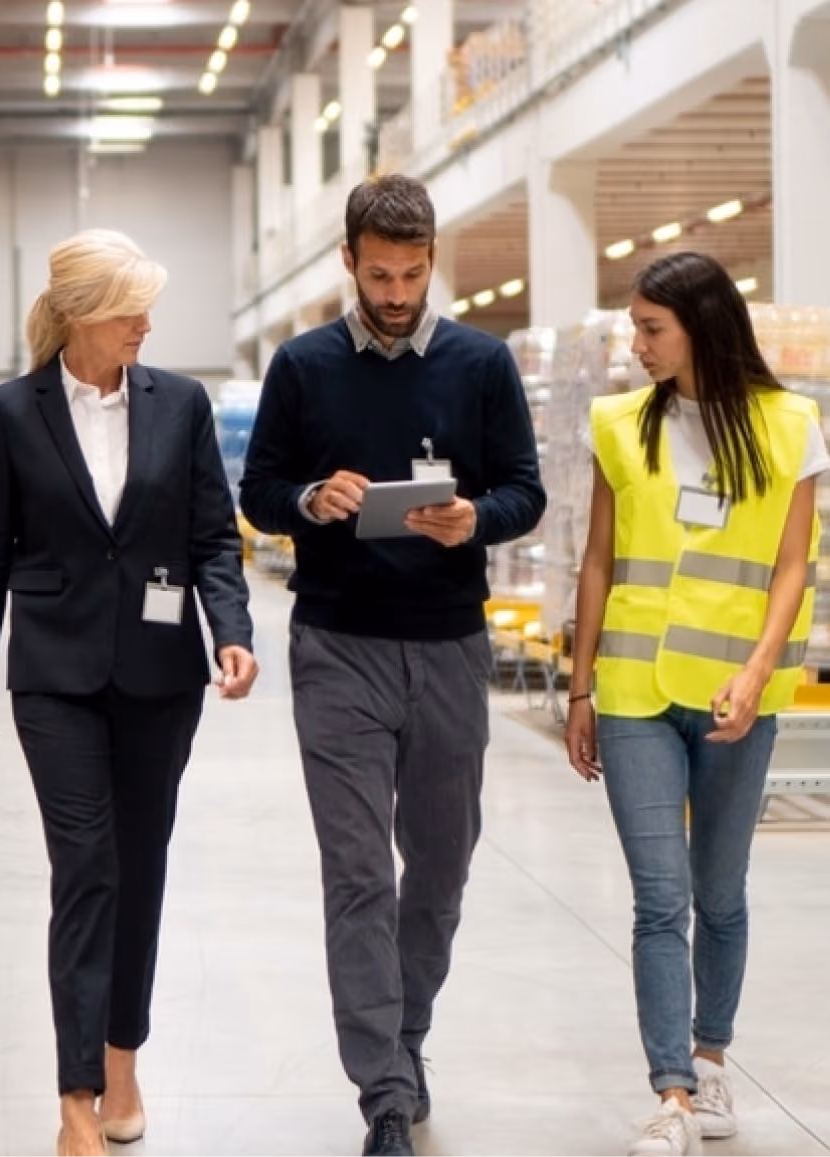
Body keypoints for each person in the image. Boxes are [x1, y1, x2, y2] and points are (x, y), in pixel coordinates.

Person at [240, 173, 546, 1157]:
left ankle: (406, 1038)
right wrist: (310, 500)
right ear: (349, 261)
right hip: (336, 647)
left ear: (432, 261)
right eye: (382, 274)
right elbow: (259, 491)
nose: (400, 291)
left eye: (415, 273)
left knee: (442, 869)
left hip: (451, 644)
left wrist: (474, 519)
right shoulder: (301, 366)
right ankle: (381, 1089)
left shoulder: (482, 363)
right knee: (360, 874)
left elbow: (525, 492)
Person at [0, 229, 258, 1157]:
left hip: (163, 677)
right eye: (131, 308)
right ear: (83, 312)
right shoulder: (11, 412)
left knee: (140, 865)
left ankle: (125, 1052)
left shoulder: (182, 403)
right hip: (55, 676)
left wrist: (233, 630)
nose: (147, 323)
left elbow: (214, 534)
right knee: (85, 866)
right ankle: (77, 1092)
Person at [565, 251, 829, 1157]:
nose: (633, 345)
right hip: (635, 690)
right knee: (658, 897)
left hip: (734, 697)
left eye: (650, 328)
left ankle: (711, 1057)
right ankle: (670, 1090)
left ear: (701, 326)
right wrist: (579, 685)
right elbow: (598, 561)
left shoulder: (791, 425)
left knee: (720, 894)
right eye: (633, 327)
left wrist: (757, 676)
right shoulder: (617, 424)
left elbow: (795, 566)